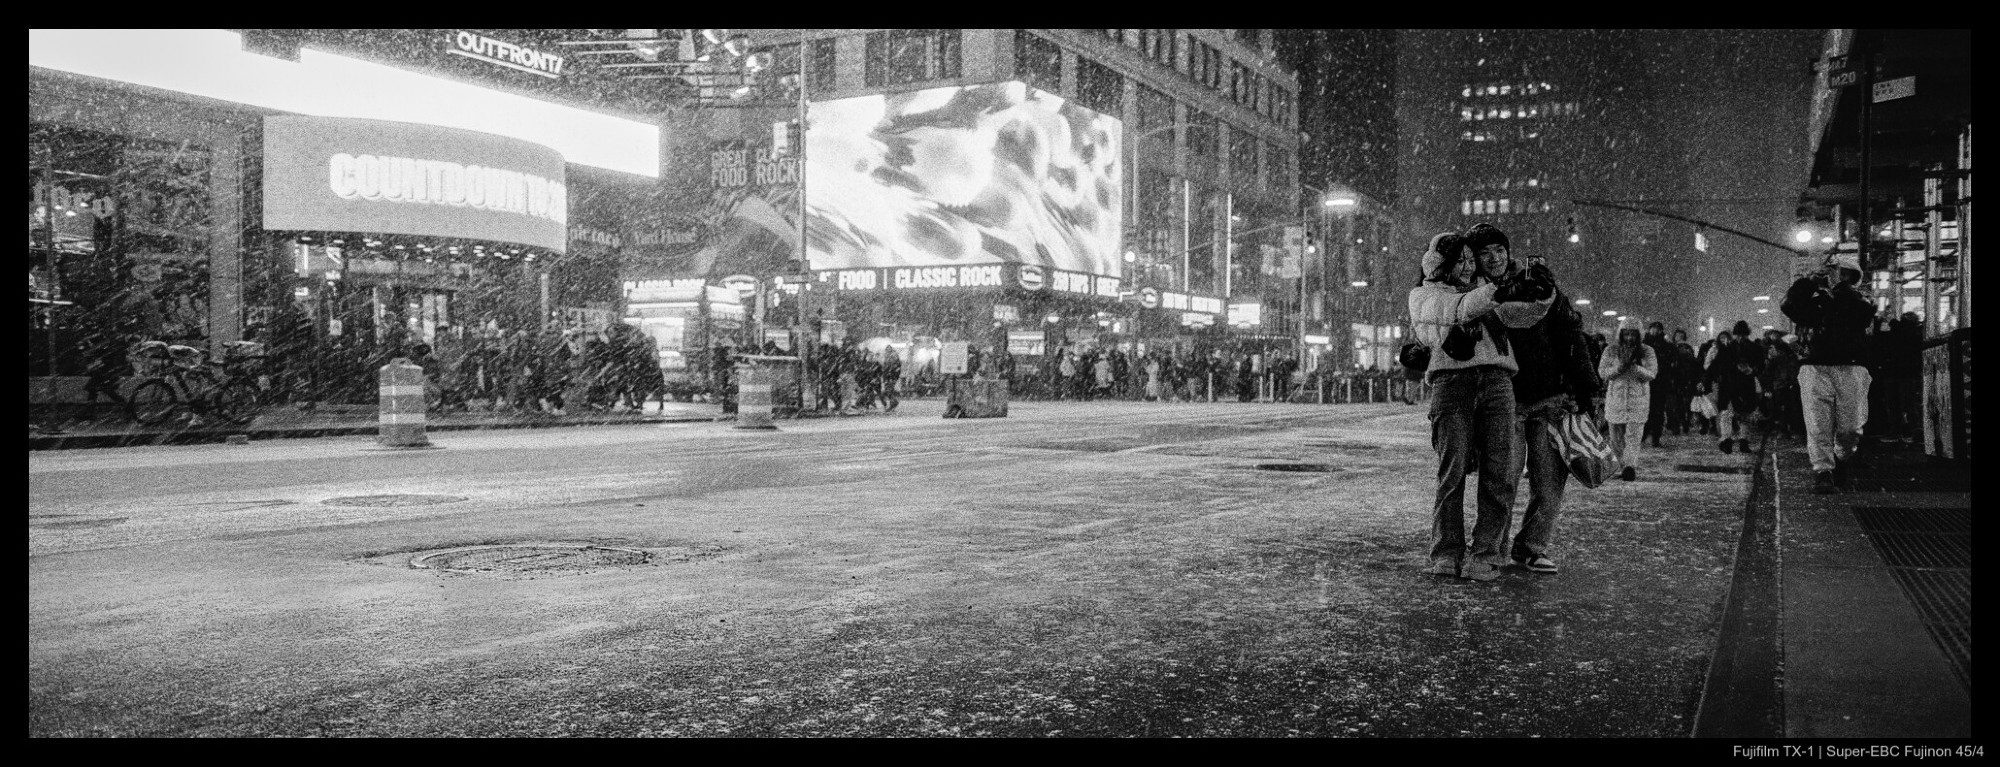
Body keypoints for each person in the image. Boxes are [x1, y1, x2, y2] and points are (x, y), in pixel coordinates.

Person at [1408, 227, 1551, 582]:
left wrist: (1542, 292)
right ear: (1441, 265)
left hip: (1498, 381)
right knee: (1452, 471)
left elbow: (1523, 314)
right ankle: (1447, 551)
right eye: (1460, 261)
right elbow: (1451, 311)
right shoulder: (1425, 294)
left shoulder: (1487, 290)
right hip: (1452, 383)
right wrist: (1497, 292)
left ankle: (1486, 552)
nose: (1469, 267)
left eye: (1472, 260)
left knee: (1499, 473)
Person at [1491, 232, 1599, 574]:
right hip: (1506, 400)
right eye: (1486, 253)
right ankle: (1494, 547)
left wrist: (1585, 390)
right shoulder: (1486, 295)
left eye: (1499, 251)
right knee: (1503, 481)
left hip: (1550, 400)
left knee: (1549, 482)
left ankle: (1532, 546)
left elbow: (1573, 339)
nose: (1494, 259)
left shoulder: (1546, 293)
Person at [1781, 253, 1877, 493]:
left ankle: (1841, 455)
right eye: (1833, 272)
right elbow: (1788, 305)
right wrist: (1809, 282)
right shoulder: (1815, 300)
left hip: (1852, 367)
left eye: (1841, 273)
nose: (1834, 276)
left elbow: (1863, 314)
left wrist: (1839, 289)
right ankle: (1823, 471)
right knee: (1817, 423)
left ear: (1851, 276)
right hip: (1814, 365)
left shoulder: (1859, 297)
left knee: (1851, 427)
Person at [1599, 327, 1657, 481]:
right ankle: (1621, 464)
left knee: (1634, 436)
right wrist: (1619, 368)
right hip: (1616, 399)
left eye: (1633, 334)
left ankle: (1629, 466)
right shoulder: (1611, 350)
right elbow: (1603, 372)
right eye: (1626, 334)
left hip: (1638, 399)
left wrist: (1635, 368)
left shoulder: (1647, 351)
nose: (1629, 338)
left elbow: (1652, 373)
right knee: (1615, 438)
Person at [1705, 321, 1764, 454]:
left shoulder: (1733, 348)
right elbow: (1716, 365)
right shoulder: (1750, 348)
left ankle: (1733, 440)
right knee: (1737, 413)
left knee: (1736, 414)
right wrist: (1752, 370)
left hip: (1735, 384)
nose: (1740, 338)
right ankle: (1734, 440)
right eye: (1738, 335)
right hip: (1738, 385)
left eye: (1741, 335)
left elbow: (1715, 365)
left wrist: (1751, 370)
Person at [1640, 322, 1676, 448]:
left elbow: (1672, 358)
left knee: (1658, 410)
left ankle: (1655, 436)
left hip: (1660, 381)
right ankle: (1643, 434)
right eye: (1653, 328)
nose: (1655, 331)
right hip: (1646, 380)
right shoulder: (1643, 343)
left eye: (1657, 329)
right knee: (1644, 408)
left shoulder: (1665, 345)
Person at [878, 347, 902, 413]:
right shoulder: (886, 360)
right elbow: (884, 371)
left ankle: (893, 404)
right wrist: (884, 378)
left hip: (892, 378)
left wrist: (893, 378)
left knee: (889, 391)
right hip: (887, 378)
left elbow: (897, 371)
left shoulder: (896, 362)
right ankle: (893, 403)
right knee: (887, 392)